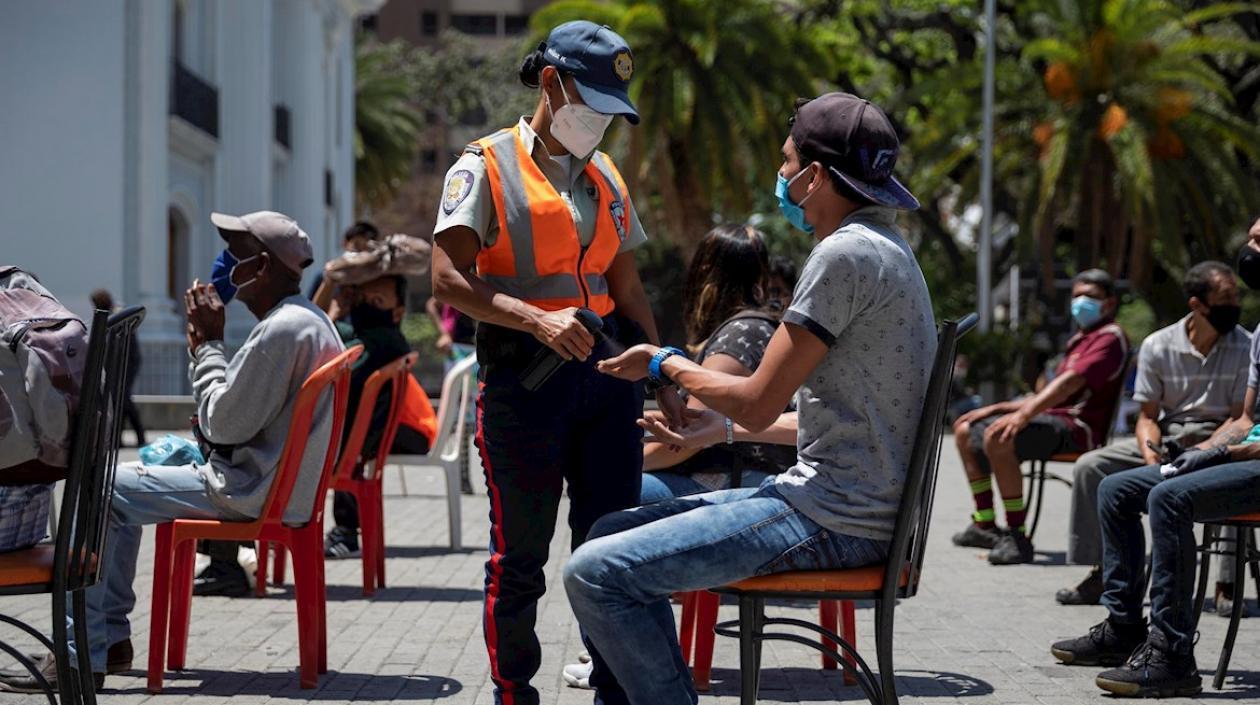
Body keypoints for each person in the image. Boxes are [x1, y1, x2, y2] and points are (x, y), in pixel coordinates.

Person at [565, 91, 934, 705]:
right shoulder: (888, 248)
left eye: (788, 163)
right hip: (851, 506)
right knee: (610, 529)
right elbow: (842, 417)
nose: (782, 176)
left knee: (596, 572)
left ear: (816, 177)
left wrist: (664, 363)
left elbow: (758, 401)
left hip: (834, 519)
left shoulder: (842, 255)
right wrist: (722, 433)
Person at [428, 21, 681, 705]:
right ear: (551, 83)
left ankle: (614, 691)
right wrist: (535, 317)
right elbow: (446, 280)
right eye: (590, 102)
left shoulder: (605, 177)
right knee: (521, 561)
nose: (599, 121)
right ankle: (515, 692)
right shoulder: (481, 165)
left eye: (609, 110)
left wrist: (660, 368)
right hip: (522, 387)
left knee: (612, 548)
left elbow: (626, 287)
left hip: (606, 386)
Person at [0, 210, 343, 693]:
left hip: (248, 490)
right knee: (129, 475)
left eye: (235, 254)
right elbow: (234, 423)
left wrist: (207, 346)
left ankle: (82, 653)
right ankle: (109, 640)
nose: (224, 264)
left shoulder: (282, 331)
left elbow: (223, 424)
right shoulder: (306, 320)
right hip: (263, 479)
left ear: (261, 267)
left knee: (98, 489)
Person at [561, 223, 796, 690]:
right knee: (608, 495)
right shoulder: (764, 325)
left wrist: (615, 460)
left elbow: (687, 439)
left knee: (606, 498)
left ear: (706, 275)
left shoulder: (737, 336)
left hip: (735, 480)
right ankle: (620, 651)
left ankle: (610, 654)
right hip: (752, 476)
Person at [1048, 225, 1260, 698]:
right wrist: (1201, 454)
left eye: (1259, 240)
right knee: (1116, 487)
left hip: (1252, 461)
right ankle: (1124, 626)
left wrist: (1225, 451)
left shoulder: (1245, 339)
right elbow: (1245, 418)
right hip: (1230, 447)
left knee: (1169, 497)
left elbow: (1243, 435)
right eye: (1250, 238)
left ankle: (1172, 654)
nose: (1250, 250)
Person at [1057, 261, 1251, 607]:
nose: (1234, 303)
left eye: (1236, 295)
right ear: (1197, 304)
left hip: (1220, 433)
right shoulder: (1158, 346)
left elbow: (1240, 419)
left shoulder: (1246, 346)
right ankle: (1103, 571)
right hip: (1169, 434)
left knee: (1226, 475)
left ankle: (1226, 584)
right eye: (1226, 296)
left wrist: (1206, 450)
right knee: (1092, 467)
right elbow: (1147, 415)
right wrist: (1151, 455)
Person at [951, 270, 1129, 565]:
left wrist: (1021, 416)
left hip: (1078, 428)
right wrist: (994, 409)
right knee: (965, 429)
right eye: (1077, 296)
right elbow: (1043, 395)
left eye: (1091, 297)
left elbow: (1069, 384)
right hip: (1051, 419)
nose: (1081, 302)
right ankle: (984, 523)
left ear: (1109, 303)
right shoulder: (1079, 340)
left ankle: (1017, 536)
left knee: (1000, 434)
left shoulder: (1110, 338)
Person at [323, 274, 437, 558]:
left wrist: (333, 317)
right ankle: (345, 528)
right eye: (362, 299)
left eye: (377, 301)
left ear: (398, 311)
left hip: (412, 431)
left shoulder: (383, 340)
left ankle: (345, 531)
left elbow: (335, 361)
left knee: (346, 438)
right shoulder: (374, 336)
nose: (367, 306)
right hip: (392, 427)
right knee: (348, 432)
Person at [90, 289, 146, 448]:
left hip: (125, 367)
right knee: (118, 402)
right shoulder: (111, 318)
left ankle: (136, 436)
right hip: (116, 368)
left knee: (123, 401)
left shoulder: (118, 319)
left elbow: (127, 349)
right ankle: (119, 439)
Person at [308, 220, 381, 302]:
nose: (361, 253)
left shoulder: (377, 281)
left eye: (367, 248)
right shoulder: (323, 277)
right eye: (357, 245)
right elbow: (310, 311)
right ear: (345, 243)